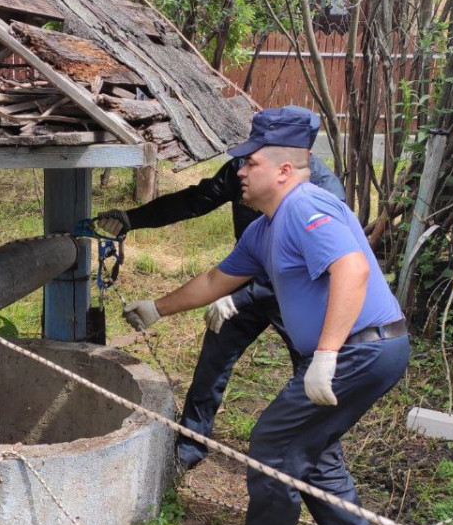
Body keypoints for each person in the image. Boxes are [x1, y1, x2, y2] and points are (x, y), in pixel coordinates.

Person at [122, 107, 409, 525]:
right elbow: (216, 279)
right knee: (313, 446)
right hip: (369, 349)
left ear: (283, 170)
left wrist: (326, 356)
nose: (240, 170)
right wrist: (158, 308)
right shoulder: (265, 227)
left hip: (363, 349)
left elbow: (352, 268)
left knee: (274, 443)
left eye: (249, 163)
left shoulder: (305, 205)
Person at [89, 106, 346, 469]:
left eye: (257, 154)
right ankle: (191, 446)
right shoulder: (244, 169)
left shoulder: (324, 194)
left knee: (311, 380)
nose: (244, 168)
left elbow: (320, 270)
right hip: (244, 284)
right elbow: (197, 199)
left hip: (297, 298)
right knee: (213, 360)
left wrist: (238, 295)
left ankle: (319, 464)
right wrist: (133, 218)